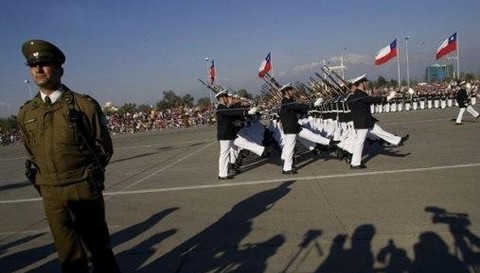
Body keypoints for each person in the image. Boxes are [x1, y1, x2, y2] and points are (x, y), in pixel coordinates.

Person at [16, 39, 120, 273]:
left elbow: (104, 147)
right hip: (50, 191)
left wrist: (86, 176)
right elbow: (31, 151)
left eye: (44, 64)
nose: (38, 70)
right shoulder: (26, 113)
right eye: (34, 66)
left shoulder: (83, 105)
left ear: (59, 69)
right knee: (68, 255)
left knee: (99, 250)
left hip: (82, 186)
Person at [347, 74, 409, 169]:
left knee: (380, 132)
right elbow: (373, 100)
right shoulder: (360, 94)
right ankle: (355, 163)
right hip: (363, 122)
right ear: (360, 84)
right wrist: (388, 97)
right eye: (365, 82)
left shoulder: (357, 94)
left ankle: (398, 140)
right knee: (360, 142)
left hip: (366, 121)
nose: (366, 83)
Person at [279, 83, 333, 174]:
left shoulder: (288, 102)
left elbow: (299, 109)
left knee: (310, 135)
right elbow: (298, 106)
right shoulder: (286, 102)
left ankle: (328, 142)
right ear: (287, 92)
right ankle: (286, 168)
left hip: (294, 127)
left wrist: (310, 106)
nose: (293, 92)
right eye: (291, 90)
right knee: (290, 148)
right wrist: (313, 104)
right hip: (291, 128)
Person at [215, 90, 257, 179]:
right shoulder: (221, 108)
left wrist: (246, 112)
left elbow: (233, 113)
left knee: (227, 153)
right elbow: (233, 112)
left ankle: (226, 170)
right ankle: (222, 174)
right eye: (226, 97)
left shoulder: (224, 107)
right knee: (224, 154)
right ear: (221, 99)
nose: (227, 98)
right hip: (225, 134)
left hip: (228, 134)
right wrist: (246, 112)